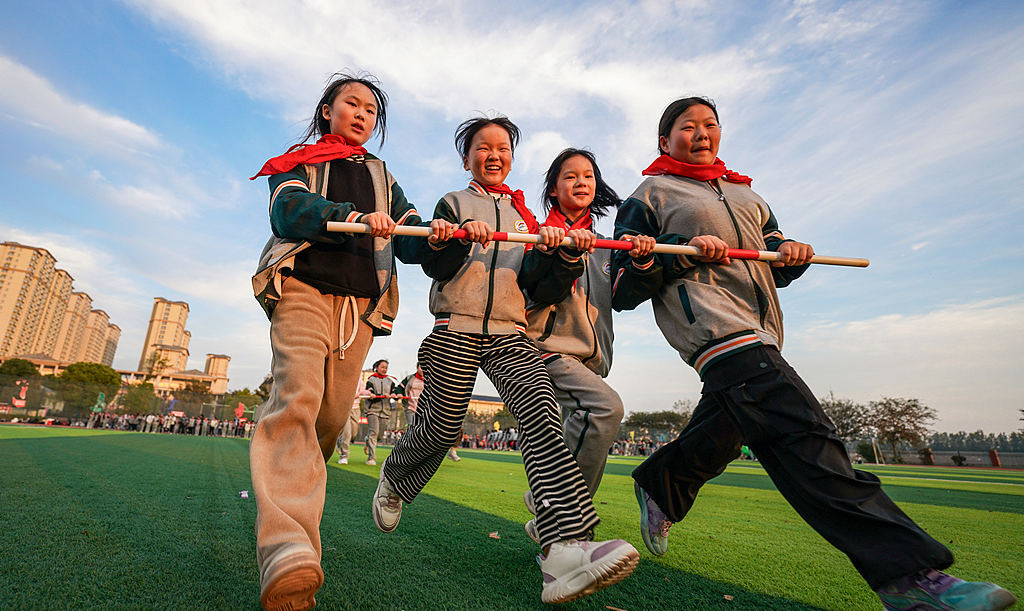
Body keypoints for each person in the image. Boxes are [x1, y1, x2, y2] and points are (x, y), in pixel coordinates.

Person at [612, 96, 1017, 611]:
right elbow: (624, 285)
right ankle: (909, 579)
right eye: (686, 126)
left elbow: (772, 260)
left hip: (764, 334)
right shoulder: (651, 193)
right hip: (717, 334)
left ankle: (662, 484)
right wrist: (680, 245)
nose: (701, 133)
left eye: (710, 124)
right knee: (809, 441)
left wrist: (792, 254)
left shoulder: (748, 195)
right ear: (664, 141)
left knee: (726, 429)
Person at [372, 116, 639, 604]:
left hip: (511, 335)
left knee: (542, 414)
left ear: (512, 158)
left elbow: (538, 287)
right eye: (483, 147)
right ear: (467, 156)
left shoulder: (525, 220)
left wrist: (559, 255)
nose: (494, 155)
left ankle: (562, 552)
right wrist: (452, 237)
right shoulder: (452, 203)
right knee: (443, 424)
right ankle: (396, 475)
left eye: (503, 148)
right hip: (457, 326)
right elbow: (432, 264)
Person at [248, 72, 454, 611]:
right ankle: (286, 547)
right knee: (297, 398)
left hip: (362, 309)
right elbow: (288, 211)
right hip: (304, 291)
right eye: (351, 105)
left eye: (371, 110)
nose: (361, 115)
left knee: (331, 419)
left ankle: (289, 504)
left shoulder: (384, 176)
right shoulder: (299, 161)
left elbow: (410, 236)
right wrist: (355, 219)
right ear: (327, 111)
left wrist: (443, 237)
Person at [520, 148, 655, 542]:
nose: (581, 182)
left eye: (588, 176)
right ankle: (564, 518)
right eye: (570, 176)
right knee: (605, 408)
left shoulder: (608, 247)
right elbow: (540, 289)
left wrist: (642, 262)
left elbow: (624, 297)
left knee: (584, 429)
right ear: (552, 189)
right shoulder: (538, 235)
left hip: (592, 359)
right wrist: (563, 251)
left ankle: (549, 510)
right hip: (547, 350)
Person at [364, 359, 399, 465]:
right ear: (376, 367)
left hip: (385, 411)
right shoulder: (371, 380)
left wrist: (394, 395)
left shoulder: (390, 381)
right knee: (374, 432)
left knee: (379, 436)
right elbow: (369, 392)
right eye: (382, 367)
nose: (384, 369)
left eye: (386, 367)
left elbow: (396, 392)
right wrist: (377, 396)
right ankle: (371, 457)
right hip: (373, 410)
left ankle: (367, 439)